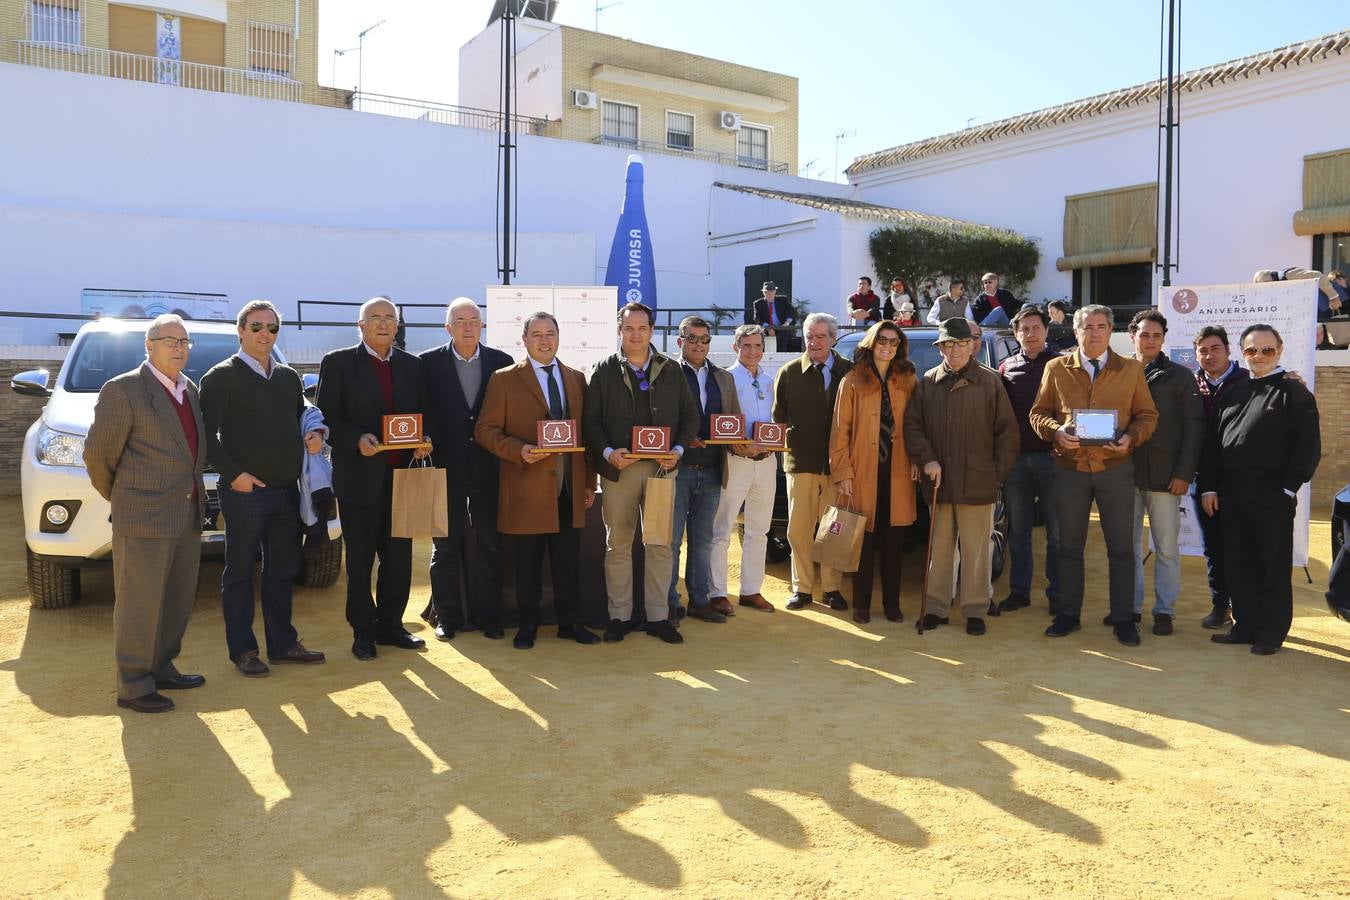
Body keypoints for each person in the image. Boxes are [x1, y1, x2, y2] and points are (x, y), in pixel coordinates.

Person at [83, 314, 207, 713]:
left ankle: (161, 666)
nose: (178, 347)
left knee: (175, 597)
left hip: (186, 513)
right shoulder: (124, 390)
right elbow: (98, 455)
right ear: (148, 345)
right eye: (168, 339)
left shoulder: (190, 391)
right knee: (140, 602)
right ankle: (133, 684)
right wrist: (123, 496)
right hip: (143, 515)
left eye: (184, 341)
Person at [200, 300, 326, 678]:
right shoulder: (221, 377)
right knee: (239, 572)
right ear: (240, 331)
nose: (265, 334)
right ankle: (243, 651)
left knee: (281, 571)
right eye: (256, 327)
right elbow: (206, 436)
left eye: (272, 328)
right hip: (245, 494)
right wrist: (235, 474)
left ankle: (283, 644)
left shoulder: (288, 378)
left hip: (287, 491)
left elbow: (303, 417)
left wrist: (315, 433)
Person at [1029, 304, 1158, 647]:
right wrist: (1056, 431)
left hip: (1115, 470)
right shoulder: (1056, 368)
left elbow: (1147, 415)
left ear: (1110, 330)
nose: (1095, 332)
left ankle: (1123, 619)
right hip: (1070, 471)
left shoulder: (1130, 370)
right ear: (1076, 331)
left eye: (1102, 326)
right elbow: (1038, 414)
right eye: (1088, 326)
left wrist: (1131, 437)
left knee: (1121, 549)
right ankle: (1068, 615)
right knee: (1069, 547)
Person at [474, 312, 600, 649]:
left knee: (567, 563)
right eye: (537, 334)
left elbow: (586, 435)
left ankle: (569, 624)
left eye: (550, 333)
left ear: (559, 337)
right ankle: (527, 626)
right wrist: (519, 450)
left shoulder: (576, 378)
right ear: (524, 339)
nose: (544, 340)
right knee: (527, 563)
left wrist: (589, 482)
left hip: (568, 487)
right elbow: (484, 430)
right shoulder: (504, 379)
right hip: (526, 485)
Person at [316, 296, 433, 661]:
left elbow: (428, 413)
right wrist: (356, 439)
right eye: (375, 318)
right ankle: (362, 631)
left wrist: (426, 439)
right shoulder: (337, 363)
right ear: (360, 325)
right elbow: (327, 417)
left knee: (398, 559)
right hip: (359, 479)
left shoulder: (414, 366)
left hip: (403, 479)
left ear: (397, 326)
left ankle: (391, 626)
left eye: (389, 318)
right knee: (362, 560)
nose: (383, 324)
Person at [583, 302, 699, 644]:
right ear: (620, 331)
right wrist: (607, 452)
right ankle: (619, 616)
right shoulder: (603, 370)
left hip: (662, 471)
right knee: (618, 543)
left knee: (660, 543)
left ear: (651, 330)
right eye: (629, 328)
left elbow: (690, 417)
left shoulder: (671, 370)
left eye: (642, 328)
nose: (635, 334)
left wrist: (677, 452)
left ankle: (658, 617)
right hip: (620, 471)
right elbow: (591, 421)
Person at [1200, 324, 1320, 655]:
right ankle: (1245, 625)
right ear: (1243, 353)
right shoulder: (1233, 392)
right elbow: (1212, 446)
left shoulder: (1294, 392)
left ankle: (1271, 632)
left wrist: (1287, 489)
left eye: (1267, 349)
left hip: (1272, 495)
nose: (1260, 356)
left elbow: (1307, 446)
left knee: (1272, 565)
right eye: (1252, 350)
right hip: (1231, 495)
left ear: (1279, 351)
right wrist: (1209, 487)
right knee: (1238, 563)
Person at [905, 318, 1019, 634]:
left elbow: (1007, 433)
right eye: (948, 344)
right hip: (940, 484)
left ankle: (975, 610)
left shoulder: (990, 382)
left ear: (971, 346)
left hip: (978, 483)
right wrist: (927, 460)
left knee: (977, 551)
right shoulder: (927, 382)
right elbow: (913, 428)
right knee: (939, 550)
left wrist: (995, 475)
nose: (954, 350)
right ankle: (936, 608)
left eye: (960, 344)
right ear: (940, 348)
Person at [419, 298, 513, 641]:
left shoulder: (502, 363)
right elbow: (423, 409)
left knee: (491, 543)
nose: (468, 327)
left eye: (474, 320)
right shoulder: (427, 363)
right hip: (445, 466)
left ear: (482, 325)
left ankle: (490, 616)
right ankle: (447, 616)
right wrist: (425, 434)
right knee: (445, 546)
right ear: (448, 328)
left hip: (490, 468)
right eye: (460, 321)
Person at [831, 321, 918, 623]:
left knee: (895, 540)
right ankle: (861, 606)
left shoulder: (907, 378)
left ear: (899, 346)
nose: (887, 346)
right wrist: (843, 473)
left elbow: (915, 425)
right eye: (882, 339)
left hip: (898, 468)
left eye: (894, 342)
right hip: (862, 470)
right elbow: (840, 431)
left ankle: (892, 605)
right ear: (872, 342)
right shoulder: (852, 380)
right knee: (862, 540)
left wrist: (919, 458)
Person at [1125, 310, 1203, 637]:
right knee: (1126, 549)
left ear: (1164, 338)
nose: (1150, 341)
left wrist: (1185, 472)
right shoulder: (1119, 371)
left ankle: (1164, 611)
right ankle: (1128, 608)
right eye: (1145, 335)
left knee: (1167, 549)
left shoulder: (1180, 377)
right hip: (1123, 475)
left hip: (1165, 477)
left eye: (1156, 335)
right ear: (1133, 336)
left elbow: (1194, 427)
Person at [774, 312, 853, 612]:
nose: (814, 342)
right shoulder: (789, 372)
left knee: (834, 531)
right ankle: (802, 589)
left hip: (837, 467)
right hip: (801, 464)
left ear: (833, 339)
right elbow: (778, 418)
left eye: (821, 336)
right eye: (809, 336)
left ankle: (832, 589)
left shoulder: (849, 372)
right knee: (799, 530)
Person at [668, 315, 740, 624]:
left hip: (712, 469)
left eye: (705, 339)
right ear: (679, 341)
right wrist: (681, 439)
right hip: (676, 469)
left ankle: (699, 599)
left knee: (702, 539)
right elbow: (658, 419)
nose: (699, 344)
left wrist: (740, 440)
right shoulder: (666, 373)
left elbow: (733, 419)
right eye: (692, 338)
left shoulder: (724, 378)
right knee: (670, 540)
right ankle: (669, 601)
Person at [997, 305, 1062, 614]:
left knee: (1056, 533)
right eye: (1024, 329)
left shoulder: (1062, 364)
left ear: (1046, 331)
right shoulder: (1005, 367)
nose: (1030, 333)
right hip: (1017, 462)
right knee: (1019, 531)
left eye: (1036, 328)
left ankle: (1057, 594)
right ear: (1016, 333)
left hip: (1054, 460)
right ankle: (1019, 592)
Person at [710, 324, 779, 614]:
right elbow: (718, 421)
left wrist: (773, 442)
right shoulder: (724, 378)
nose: (753, 351)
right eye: (746, 345)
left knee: (759, 529)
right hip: (736, 462)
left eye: (758, 346)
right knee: (722, 528)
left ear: (764, 349)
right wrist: (736, 445)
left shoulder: (769, 380)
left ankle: (751, 590)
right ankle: (717, 592)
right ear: (735, 347)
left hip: (766, 463)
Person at [1191, 325, 1245, 629]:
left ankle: (1243, 609)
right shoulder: (1191, 383)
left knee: (1240, 546)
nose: (1209, 355)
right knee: (1213, 548)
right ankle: (1220, 606)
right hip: (1203, 480)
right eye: (1203, 350)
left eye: (1215, 349)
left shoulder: (1248, 381)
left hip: (1239, 481)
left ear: (1227, 350)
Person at [753, 280, 799, 352]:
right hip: (767, 327)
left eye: (771, 292)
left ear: (775, 292)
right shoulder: (758, 303)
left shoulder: (782, 300)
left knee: (783, 334)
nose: (769, 294)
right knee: (760, 335)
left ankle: (781, 355)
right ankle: (763, 356)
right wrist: (768, 327)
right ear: (763, 293)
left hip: (782, 326)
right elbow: (757, 319)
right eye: (766, 292)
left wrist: (787, 322)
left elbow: (791, 311)